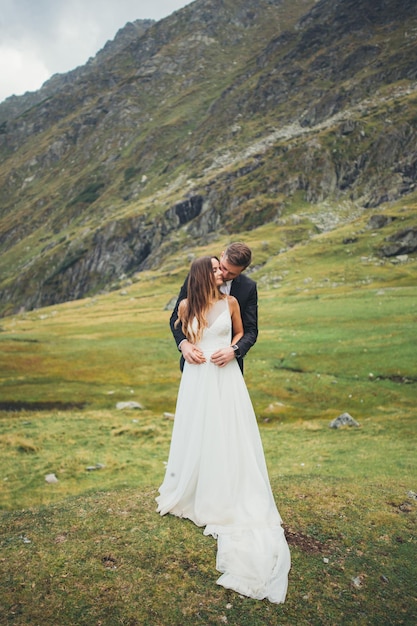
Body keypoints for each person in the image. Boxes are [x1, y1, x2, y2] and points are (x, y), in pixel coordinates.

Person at [156, 256, 291, 603]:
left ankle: (227, 485)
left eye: (227, 271)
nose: (223, 274)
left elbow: (248, 331)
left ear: (238, 272)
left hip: (226, 373)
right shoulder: (189, 297)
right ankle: (194, 483)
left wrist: (232, 350)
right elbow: (177, 323)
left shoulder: (239, 295)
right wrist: (186, 345)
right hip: (197, 377)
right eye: (218, 269)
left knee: (228, 431)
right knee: (197, 430)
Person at [170, 242, 258, 373]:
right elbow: (176, 319)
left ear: (242, 270)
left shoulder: (248, 288)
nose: (224, 274)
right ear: (222, 255)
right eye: (223, 267)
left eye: (232, 273)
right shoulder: (194, 279)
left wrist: (234, 350)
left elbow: (251, 330)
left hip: (228, 365)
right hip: (195, 364)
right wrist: (183, 344)